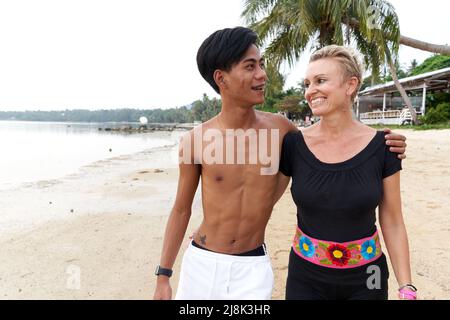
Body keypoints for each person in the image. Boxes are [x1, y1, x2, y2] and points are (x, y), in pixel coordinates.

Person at [153, 27, 407, 300]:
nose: (262, 74)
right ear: (221, 78)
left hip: (253, 265)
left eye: (261, 65)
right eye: (250, 66)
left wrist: (386, 145)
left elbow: (332, 146)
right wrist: (163, 275)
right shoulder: (196, 141)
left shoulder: (283, 132)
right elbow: (181, 209)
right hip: (202, 261)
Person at [278, 45, 416, 300]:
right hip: (305, 278)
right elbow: (262, 198)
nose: (310, 91)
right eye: (307, 83)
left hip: (369, 276)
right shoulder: (293, 145)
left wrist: (406, 286)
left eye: (320, 81)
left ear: (350, 85)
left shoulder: (384, 146)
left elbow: (393, 220)